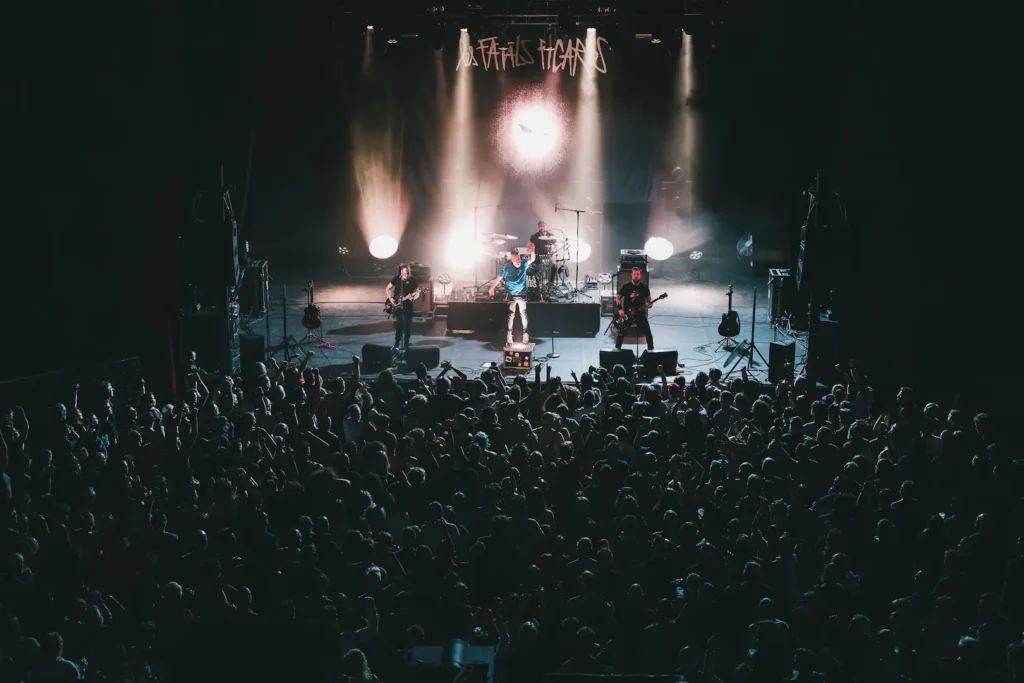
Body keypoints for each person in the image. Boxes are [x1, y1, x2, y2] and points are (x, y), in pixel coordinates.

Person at [489, 245, 535, 345]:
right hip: (512, 294)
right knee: (511, 315)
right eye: (515, 259)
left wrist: (532, 251)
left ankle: (525, 334)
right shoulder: (507, 267)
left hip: (522, 294)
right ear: (511, 259)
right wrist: (492, 287)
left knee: (523, 314)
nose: (518, 260)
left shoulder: (524, 263)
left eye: (518, 258)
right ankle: (509, 336)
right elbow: (499, 277)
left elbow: (532, 259)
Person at [615, 267, 654, 350]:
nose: (636, 276)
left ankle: (651, 353)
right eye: (634, 274)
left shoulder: (644, 287)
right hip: (627, 314)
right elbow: (618, 298)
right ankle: (616, 351)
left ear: (640, 275)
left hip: (640, 314)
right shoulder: (626, 286)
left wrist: (649, 305)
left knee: (648, 334)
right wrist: (620, 309)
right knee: (621, 333)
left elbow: (649, 301)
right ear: (632, 275)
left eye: (637, 274)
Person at [385, 264, 421, 352]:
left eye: (408, 273)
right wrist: (390, 298)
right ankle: (397, 343)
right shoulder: (396, 279)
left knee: (408, 324)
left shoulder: (414, 280)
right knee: (400, 323)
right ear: (401, 272)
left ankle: (406, 343)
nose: (406, 275)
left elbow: (417, 293)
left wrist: (413, 298)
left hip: (408, 304)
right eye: (405, 273)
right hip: (397, 304)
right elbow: (387, 288)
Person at [529, 220, 557, 285]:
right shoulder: (534, 236)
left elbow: (555, 245)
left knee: (554, 267)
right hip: (537, 258)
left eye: (543, 226)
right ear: (538, 227)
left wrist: (552, 250)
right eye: (541, 226)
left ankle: (550, 284)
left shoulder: (551, 236)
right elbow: (529, 245)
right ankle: (535, 285)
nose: (542, 227)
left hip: (548, 257)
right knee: (530, 268)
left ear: (546, 226)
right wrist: (532, 252)